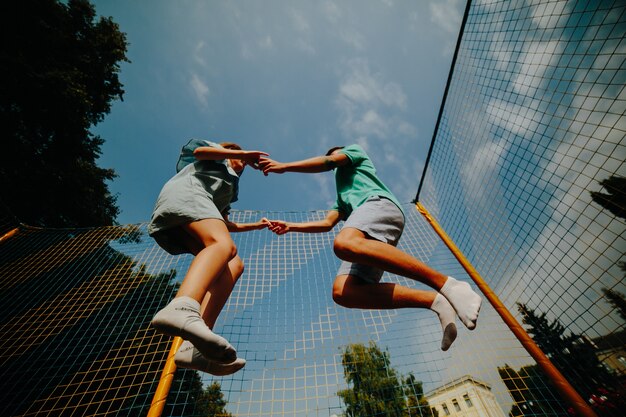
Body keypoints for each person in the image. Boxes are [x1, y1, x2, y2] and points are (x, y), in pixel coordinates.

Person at [258, 145, 482, 351]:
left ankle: (448, 284)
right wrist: (291, 226)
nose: (336, 159)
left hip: (379, 205)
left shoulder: (355, 153)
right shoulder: (342, 198)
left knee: (345, 243)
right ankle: (436, 301)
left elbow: (330, 162)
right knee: (344, 292)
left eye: (337, 154)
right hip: (366, 224)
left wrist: (285, 166)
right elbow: (326, 224)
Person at [148, 138, 270, 375]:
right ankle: (182, 307)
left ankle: (193, 347)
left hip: (193, 211)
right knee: (221, 244)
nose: (242, 164)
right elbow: (201, 152)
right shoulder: (215, 154)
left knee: (233, 264)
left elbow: (223, 221)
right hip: (185, 198)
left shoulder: (230, 187)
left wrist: (256, 225)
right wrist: (244, 153)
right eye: (239, 158)